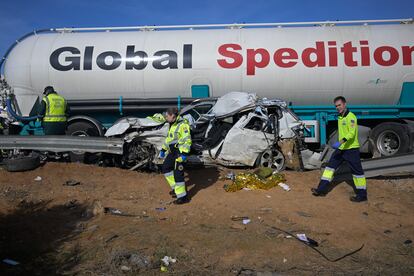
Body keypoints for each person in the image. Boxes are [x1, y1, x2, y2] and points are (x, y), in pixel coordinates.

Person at [311, 96, 367, 202]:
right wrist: (340, 145)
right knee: (329, 168)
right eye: (336, 106)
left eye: (339, 105)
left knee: (357, 173)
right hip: (341, 149)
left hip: (351, 149)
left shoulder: (351, 117)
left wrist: (340, 142)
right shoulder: (340, 117)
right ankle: (321, 190)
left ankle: (362, 195)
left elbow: (351, 133)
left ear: (345, 104)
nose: (337, 107)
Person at [159, 107, 192, 204]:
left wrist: (184, 154)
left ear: (172, 116)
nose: (165, 117)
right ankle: (176, 189)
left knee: (178, 174)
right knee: (166, 168)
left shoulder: (183, 125)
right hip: (172, 152)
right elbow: (169, 139)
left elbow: (187, 140)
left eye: (167, 116)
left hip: (180, 153)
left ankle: (183, 197)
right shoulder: (172, 124)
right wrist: (163, 149)